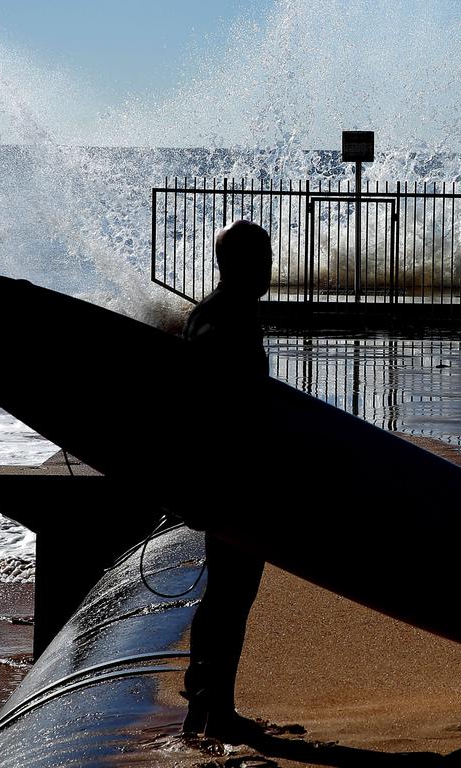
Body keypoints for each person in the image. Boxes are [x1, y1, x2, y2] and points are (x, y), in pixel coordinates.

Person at [181, 219, 272, 742]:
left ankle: (205, 702)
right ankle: (219, 710)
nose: (269, 268)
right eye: (263, 258)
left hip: (220, 479)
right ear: (244, 265)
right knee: (232, 597)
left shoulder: (213, 313)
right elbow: (226, 408)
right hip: (233, 482)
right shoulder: (227, 321)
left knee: (223, 594)